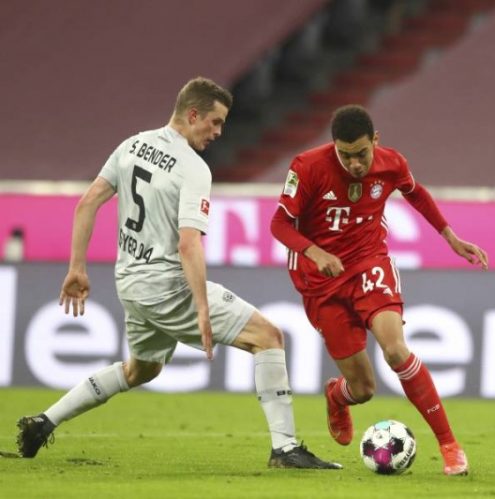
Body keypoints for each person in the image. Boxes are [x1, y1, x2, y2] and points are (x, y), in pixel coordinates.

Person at [16, 77, 340, 470]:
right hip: (165, 284)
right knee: (268, 337)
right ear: (192, 114)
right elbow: (189, 244)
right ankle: (286, 450)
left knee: (142, 369)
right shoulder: (193, 168)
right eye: (215, 122)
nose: (219, 132)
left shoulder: (132, 145)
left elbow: (87, 203)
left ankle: (42, 422)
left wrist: (77, 268)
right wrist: (202, 306)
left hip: (130, 283)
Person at [269, 104, 488, 475]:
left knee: (396, 351)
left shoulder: (392, 163)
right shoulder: (307, 167)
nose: (354, 164)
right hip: (320, 280)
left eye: (361, 154)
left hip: (369, 263)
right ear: (334, 146)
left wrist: (450, 236)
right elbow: (279, 224)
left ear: (376, 141)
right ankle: (337, 396)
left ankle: (450, 446)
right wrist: (314, 251)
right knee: (364, 388)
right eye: (345, 155)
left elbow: (416, 193)